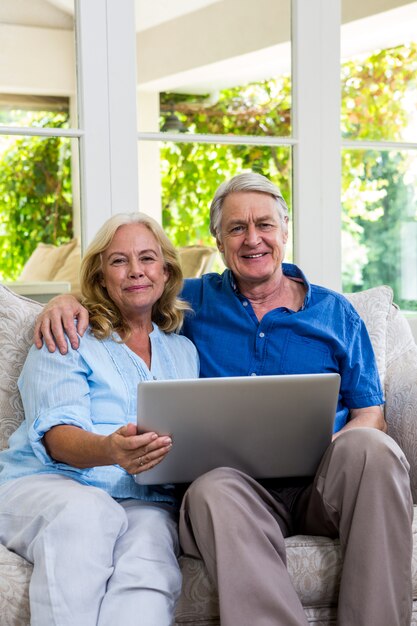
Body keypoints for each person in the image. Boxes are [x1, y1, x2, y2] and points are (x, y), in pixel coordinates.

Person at [34, 173, 413, 626]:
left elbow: (371, 414)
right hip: (234, 494)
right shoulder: (192, 301)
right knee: (211, 487)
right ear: (218, 240)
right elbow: (130, 287)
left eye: (265, 225)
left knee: (372, 447)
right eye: (236, 228)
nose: (253, 239)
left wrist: (329, 449)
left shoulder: (336, 313)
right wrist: (65, 300)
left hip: (321, 488)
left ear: (285, 231)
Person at [0, 212, 199, 626]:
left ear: (166, 271)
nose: (135, 271)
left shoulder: (183, 352)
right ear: (101, 276)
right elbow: (56, 438)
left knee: (150, 562)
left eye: (147, 258)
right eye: (119, 261)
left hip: (143, 498)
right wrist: (111, 449)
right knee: (90, 513)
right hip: (49, 485)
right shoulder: (68, 332)